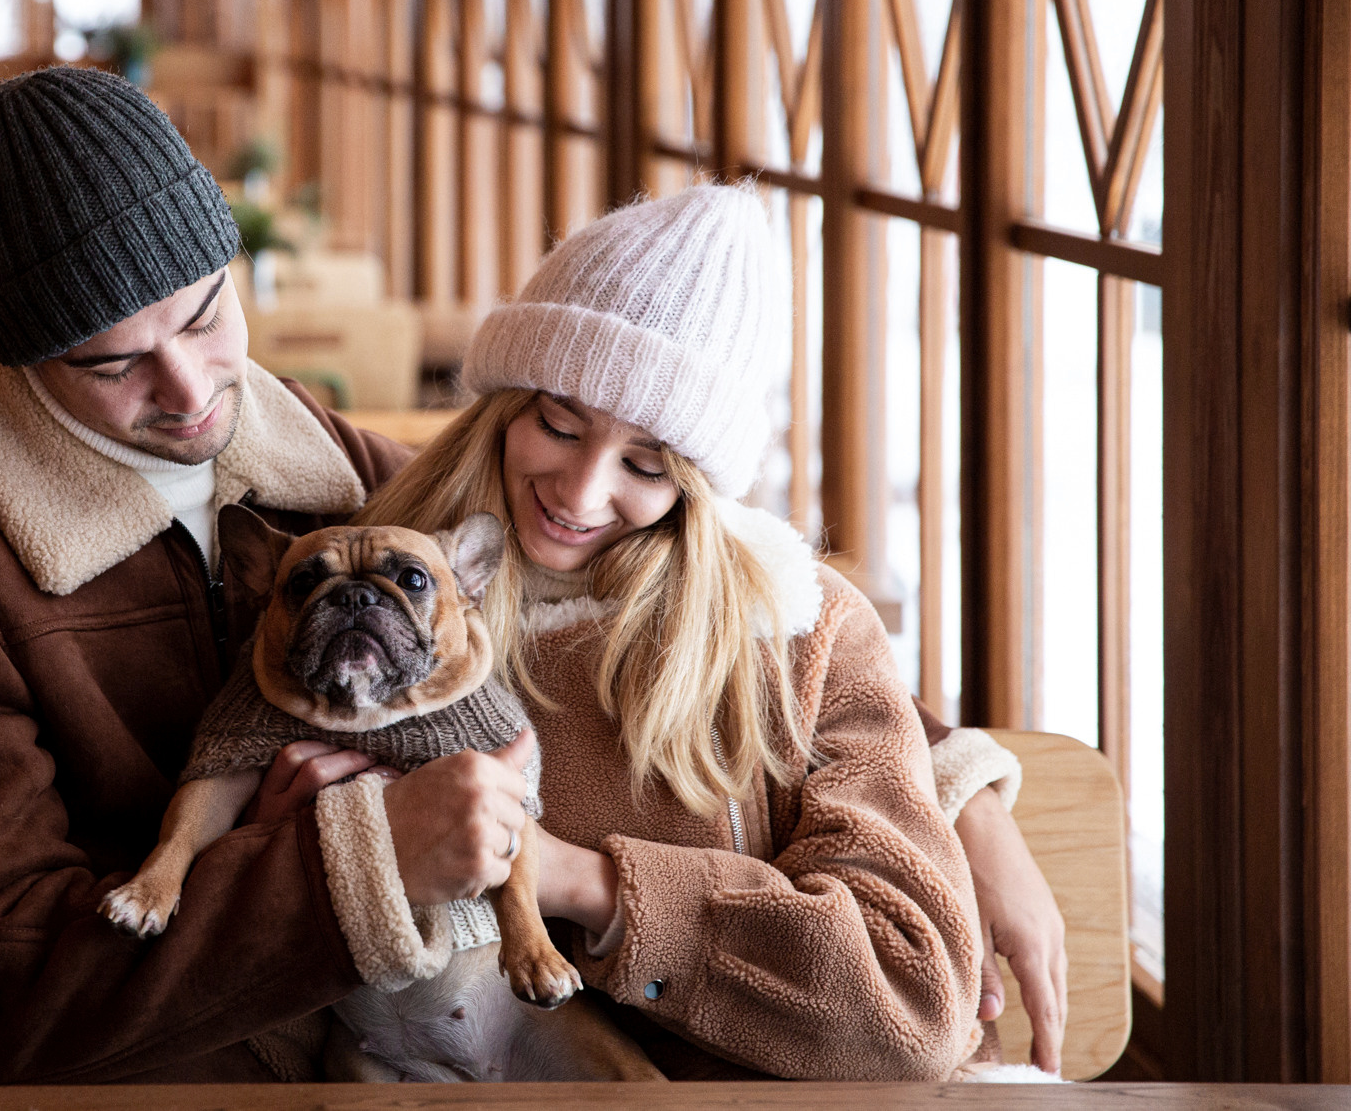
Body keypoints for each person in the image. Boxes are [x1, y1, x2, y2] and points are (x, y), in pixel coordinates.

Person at [0, 68, 1060, 1085]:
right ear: (17, 355)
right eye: (109, 363)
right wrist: (367, 860)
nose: (188, 393)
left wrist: (956, 790)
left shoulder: (309, 459)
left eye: (204, 313)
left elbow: (718, 606)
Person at [315, 185, 1065, 1079]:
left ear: (699, 487)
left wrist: (576, 879)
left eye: (645, 464)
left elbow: (909, 1004)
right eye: (558, 424)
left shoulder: (798, 629)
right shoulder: (371, 605)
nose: (581, 493)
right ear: (503, 408)